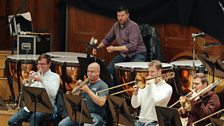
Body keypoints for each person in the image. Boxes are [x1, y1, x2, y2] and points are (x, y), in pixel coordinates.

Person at [92, 6, 147, 85]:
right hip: (124, 54)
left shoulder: (133, 26)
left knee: (133, 73)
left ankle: (131, 93)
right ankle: (113, 93)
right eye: (118, 16)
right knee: (109, 70)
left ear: (127, 15)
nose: (120, 18)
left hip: (137, 53)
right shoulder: (116, 26)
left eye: (122, 15)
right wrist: (97, 47)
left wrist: (114, 48)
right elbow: (107, 39)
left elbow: (132, 46)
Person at [8, 54, 60, 126]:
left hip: (46, 107)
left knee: (34, 119)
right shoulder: (36, 75)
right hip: (31, 106)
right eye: (39, 64)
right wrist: (28, 83)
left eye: (43, 64)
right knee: (12, 121)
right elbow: (29, 92)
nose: (40, 66)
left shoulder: (55, 76)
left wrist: (42, 81)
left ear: (49, 64)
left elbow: (53, 93)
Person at [131, 60, 173, 126]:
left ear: (159, 71)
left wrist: (152, 84)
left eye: (152, 71)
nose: (150, 74)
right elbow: (135, 105)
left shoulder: (167, 88)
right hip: (140, 121)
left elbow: (157, 100)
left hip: (155, 123)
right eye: (149, 71)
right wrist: (135, 94)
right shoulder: (145, 85)